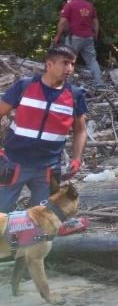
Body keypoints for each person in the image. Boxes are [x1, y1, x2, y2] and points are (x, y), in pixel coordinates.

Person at [0, 46, 87, 212]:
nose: (69, 68)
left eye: (72, 64)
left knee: (40, 220)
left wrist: (77, 158)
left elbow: (81, 130)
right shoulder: (25, 87)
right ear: (49, 64)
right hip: (14, 163)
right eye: (64, 63)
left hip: (48, 168)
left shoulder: (75, 95)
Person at [53, 0, 103, 87]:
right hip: (88, 37)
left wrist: (57, 36)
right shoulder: (90, 5)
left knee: (67, 59)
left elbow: (63, 22)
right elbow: (96, 23)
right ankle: (99, 83)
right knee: (92, 60)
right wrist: (95, 36)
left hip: (74, 37)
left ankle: (68, 84)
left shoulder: (70, 5)